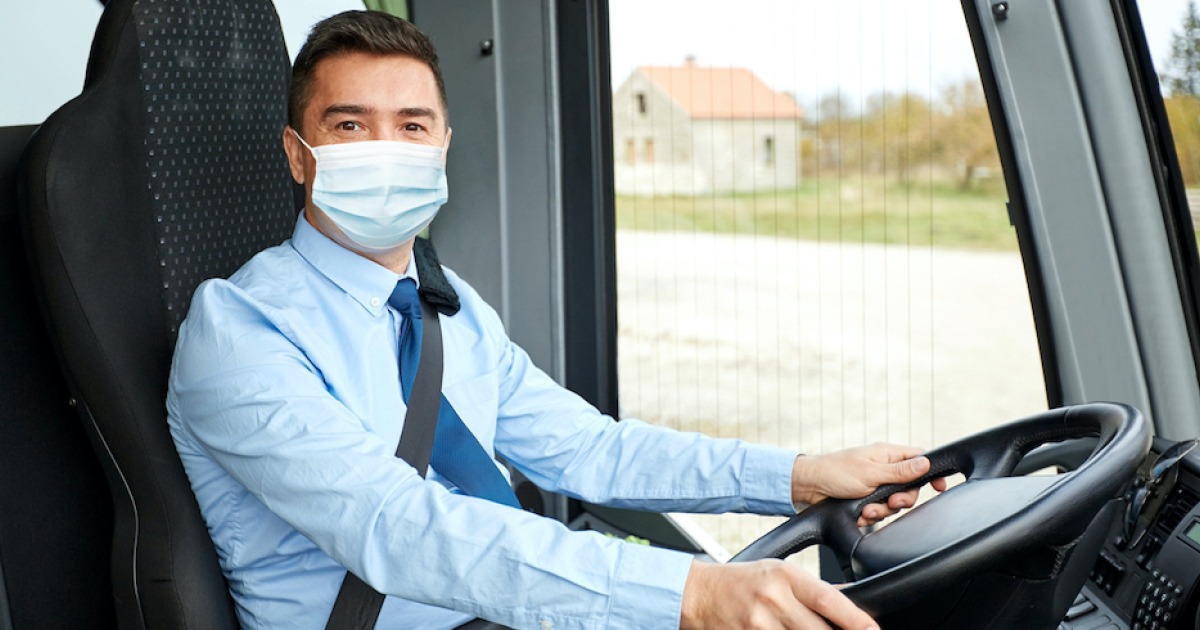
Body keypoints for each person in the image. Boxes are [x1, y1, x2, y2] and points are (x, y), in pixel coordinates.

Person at [167, 10, 944, 630]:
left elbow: (588, 450)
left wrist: (797, 477)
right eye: (349, 126)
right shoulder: (239, 329)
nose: (385, 148)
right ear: (297, 153)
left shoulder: (449, 304)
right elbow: (394, 526)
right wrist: (692, 592)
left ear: (441, 147)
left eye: (411, 126)